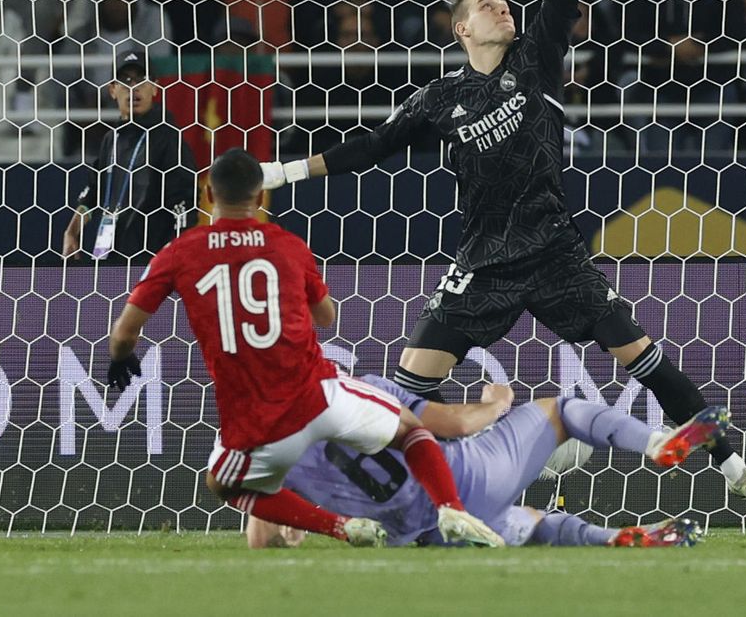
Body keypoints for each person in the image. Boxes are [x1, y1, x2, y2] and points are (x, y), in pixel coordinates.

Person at [259, 0, 746, 517]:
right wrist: (284, 174)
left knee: (645, 354)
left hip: (553, 251)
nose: (500, 5)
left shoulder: (535, 60)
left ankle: (734, 468)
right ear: (461, 29)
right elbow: (369, 148)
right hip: (482, 262)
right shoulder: (439, 96)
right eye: (485, 3)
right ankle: (384, 492)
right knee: (405, 394)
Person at [104, 147, 504, 549]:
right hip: (319, 397)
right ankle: (451, 509)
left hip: (258, 424)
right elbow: (326, 316)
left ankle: (340, 527)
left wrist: (121, 357)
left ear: (208, 193)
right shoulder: (288, 245)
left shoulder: (179, 253)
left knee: (222, 483)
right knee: (411, 430)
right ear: (260, 197)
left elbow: (124, 332)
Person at [246, 374, 724, 549]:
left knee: (535, 524)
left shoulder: (272, 444)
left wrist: (305, 526)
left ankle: (612, 539)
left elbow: (258, 528)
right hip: (466, 479)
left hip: (425, 536)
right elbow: (454, 425)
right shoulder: (363, 390)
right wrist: (495, 404)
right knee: (561, 411)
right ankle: (656, 444)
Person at [62, 49, 199, 262]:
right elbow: (93, 192)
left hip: (150, 261)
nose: (133, 88)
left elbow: (184, 202)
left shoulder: (168, 137)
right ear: (112, 90)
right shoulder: (111, 139)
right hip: (108, 257)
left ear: (155, 88)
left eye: (141, 80)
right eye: (125, 81)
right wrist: (72, 231)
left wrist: (178, 254)